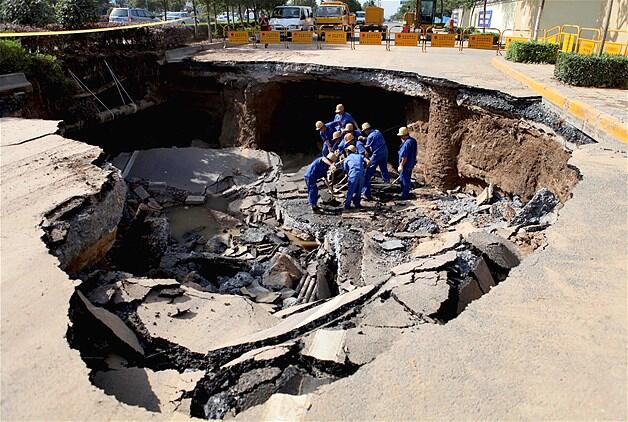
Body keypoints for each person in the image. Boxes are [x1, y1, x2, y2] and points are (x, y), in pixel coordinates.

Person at [360, 122, 390, 200]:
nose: (364, 133)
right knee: (384, 168)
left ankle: (366, 191)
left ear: (366, 130)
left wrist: (362, 144)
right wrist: (364, 138)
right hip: (385, 152)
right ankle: (387, 183)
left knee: (368, 171)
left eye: (364, 131)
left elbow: (367, 148)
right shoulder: (377, 131)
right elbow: (373, 138)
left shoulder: (370, 137)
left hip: (377, 154)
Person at [342, 145, 368, 210]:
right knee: (359, 191)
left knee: (350, 191)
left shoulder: (347, 158)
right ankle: (357, 205)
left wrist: (348, 174)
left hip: (353, 175)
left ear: (348, 151)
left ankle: (347, 206)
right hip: (362, 175)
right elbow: (368, 161)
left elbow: (345, 169)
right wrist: (365, 168)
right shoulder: (360, 156)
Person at [397, 126, 417, 200]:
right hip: (410, 164)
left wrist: (401, 165)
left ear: (404, 135)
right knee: (407, 179)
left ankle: (405, 196)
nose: (400, 138)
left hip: (406, 165)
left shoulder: (407, 143)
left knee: (404, 180)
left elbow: (405, 156)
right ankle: (406, 193)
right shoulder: (413, 140)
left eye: (401, 136)